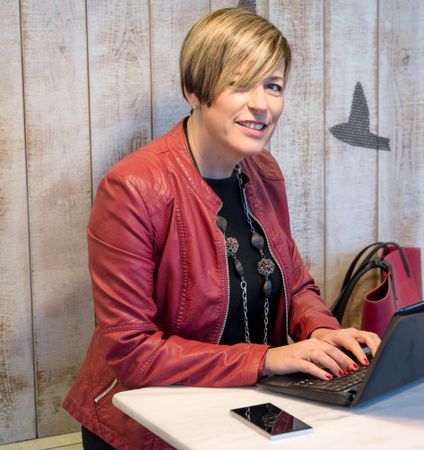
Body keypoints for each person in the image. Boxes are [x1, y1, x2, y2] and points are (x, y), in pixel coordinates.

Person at [63, 8, 380, 449]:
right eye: (241, 84)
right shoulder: (133, 188)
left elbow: (294, 282)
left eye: (273, 86)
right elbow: (131, 352)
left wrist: (323, 333)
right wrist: (268, 359)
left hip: (240, 409)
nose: (262, 103)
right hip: (146, 427)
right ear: (194, 91)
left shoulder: (263, 171)